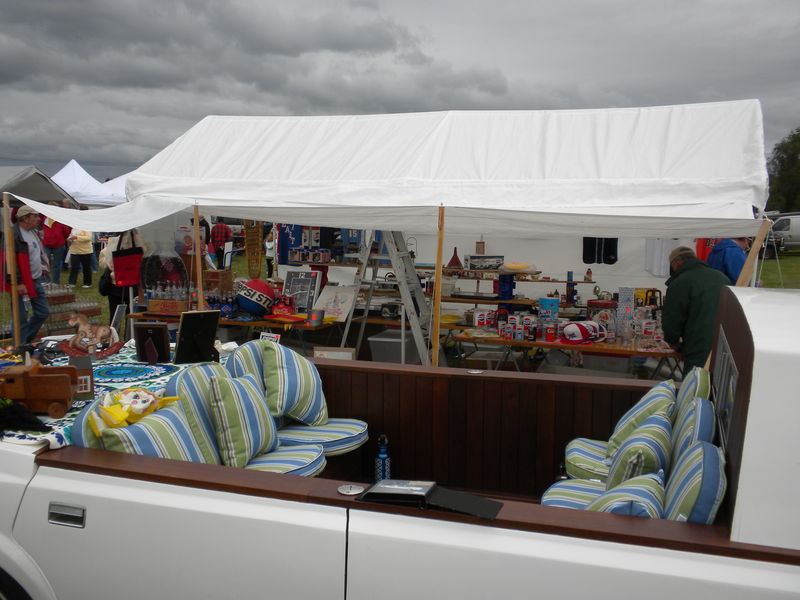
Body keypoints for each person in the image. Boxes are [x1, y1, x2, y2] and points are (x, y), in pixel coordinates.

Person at [661, 246, 730, 376]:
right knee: (717, 383)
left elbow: (672, 318)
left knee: (695, 383)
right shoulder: (721, 277)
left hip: (698, 345)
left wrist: (672, 341)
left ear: (677, 263)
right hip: (723, 344)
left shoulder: (680, 282)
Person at [6, 205, 50, 345]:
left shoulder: (34, 232)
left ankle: (24, 342)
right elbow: (8, 260)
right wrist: (18, 282)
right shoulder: (13, 234)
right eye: (35, 216)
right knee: (21, 318)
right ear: (25, 218)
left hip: (36, 280)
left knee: (43, 312)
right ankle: (20, 347)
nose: (39, 219)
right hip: (20, 282)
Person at [99, 229, 145, 319]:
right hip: (128, 281)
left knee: (119, 313)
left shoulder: (115, 239)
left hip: (121, 281)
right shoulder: (138, 237)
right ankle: (125, 327)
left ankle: (124, 327)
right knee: (129, 313)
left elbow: (108, 263)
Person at [41, 201, 71, 285]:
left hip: (59, 245)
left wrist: (64, 238)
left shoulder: (60, 218)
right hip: (46, 244)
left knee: (57, 264)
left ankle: (55, 281)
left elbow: (66, 231)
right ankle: (45, 281)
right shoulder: (44, 218)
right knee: (45, 263)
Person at [66, 207, 93, 288]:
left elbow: (88, 238)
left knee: (86, 268)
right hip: (74, 250)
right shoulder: (74, 227)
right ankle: (72, 283)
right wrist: (69, 238)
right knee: (74, 267)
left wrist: (76, 237)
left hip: (85, 251)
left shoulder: (87, 226)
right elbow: (71, 235)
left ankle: (87, 283)